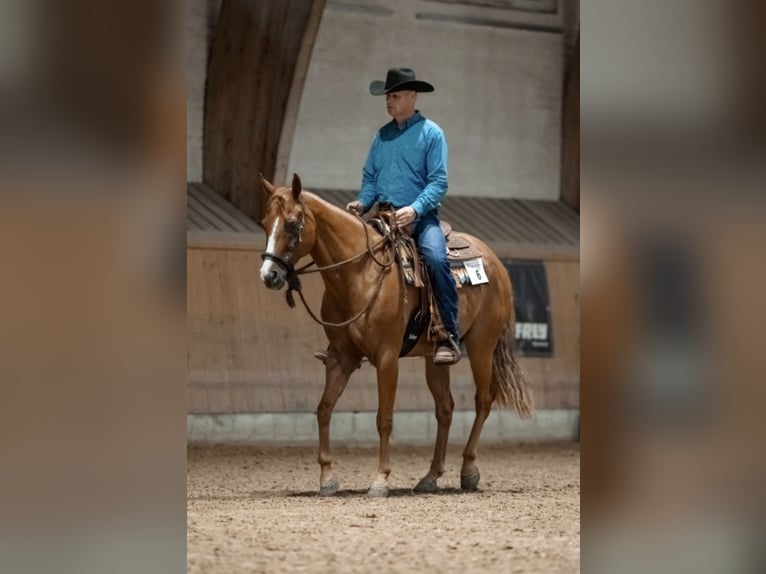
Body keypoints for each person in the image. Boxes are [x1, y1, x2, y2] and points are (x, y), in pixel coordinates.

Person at [318, 67, 461, 364]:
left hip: (419, 219)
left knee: (435, 258)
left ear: (412, 96)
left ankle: (446, 332)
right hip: (381, 218)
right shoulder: (381, 136)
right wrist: (362, 201)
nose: (389, 101)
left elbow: (438, 182)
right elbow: (370, 177)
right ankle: (343, 340)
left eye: (395, 95)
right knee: (347, 259)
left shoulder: (432, 133)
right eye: (388, 96)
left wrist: (415, 209)